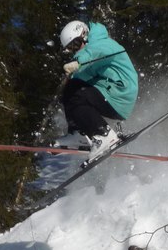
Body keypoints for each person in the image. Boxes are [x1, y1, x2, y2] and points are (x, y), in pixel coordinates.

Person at [59, 20, 139, 163]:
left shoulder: (102, 42)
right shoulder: (87, 55)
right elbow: (79, 79)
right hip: (110, 92)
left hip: (121, 92)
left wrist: (78, 62)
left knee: (77, 94)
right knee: (71, 90)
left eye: (76, 44)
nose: (75, 49)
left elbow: (95, 52)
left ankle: (104, 134)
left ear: (84, 34)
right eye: (71, 48)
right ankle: (79, 134)